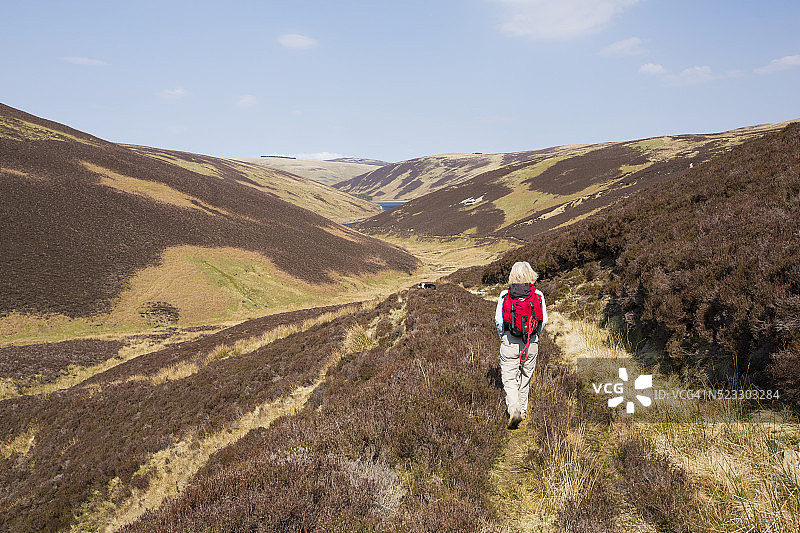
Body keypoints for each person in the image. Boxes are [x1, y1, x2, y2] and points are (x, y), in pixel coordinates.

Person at [494, 261, 548, 429]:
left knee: (509, 379)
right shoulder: (538, 294)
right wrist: (535, 336)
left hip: (510, 341)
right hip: (530, 343)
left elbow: (498, 321)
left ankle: (514, 409)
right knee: (525, 377)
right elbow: (544, 320)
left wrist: (503, 336)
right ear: (531, 274)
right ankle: (522, 411)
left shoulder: (505, 295)